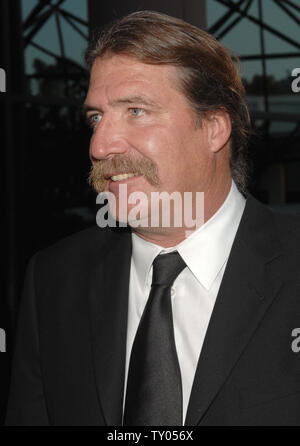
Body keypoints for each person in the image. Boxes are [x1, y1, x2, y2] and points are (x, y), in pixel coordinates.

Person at [5, 10, 300, 426]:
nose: (101, 144)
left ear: (214, 127)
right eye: (95, 118)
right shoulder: (54, 279)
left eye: (136, 111)